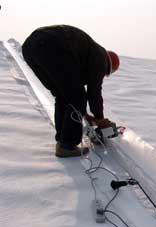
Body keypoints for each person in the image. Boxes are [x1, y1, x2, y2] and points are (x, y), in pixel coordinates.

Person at [22, 25, 119, 157]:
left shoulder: (89, 53)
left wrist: (84, 114)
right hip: (52, 44)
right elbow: (94, 92)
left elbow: (71, 89)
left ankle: (62, 141)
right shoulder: (101, 58)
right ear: (109, 66)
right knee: (77, 98)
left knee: (63, 97)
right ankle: (67, 146)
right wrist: (100, 119)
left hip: (30, 47)